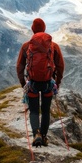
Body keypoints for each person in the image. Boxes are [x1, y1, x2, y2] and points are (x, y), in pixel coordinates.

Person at [16, 18, 65, 147]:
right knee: (45, 110)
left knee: (34, 111)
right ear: (44, 29)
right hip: (48, 83)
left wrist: (23, 84)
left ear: (32, 29)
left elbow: (19, 67)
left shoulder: (26, 46)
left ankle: (36, 134)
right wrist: (57, 83)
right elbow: (60, 66)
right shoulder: (53, 46)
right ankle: (43, 136)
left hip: (32, 83)